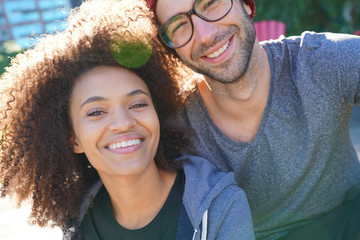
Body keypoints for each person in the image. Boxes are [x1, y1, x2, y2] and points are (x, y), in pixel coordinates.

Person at [0, 0, 255, 239]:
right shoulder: (77, 221)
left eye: (138, 104)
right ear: (73, 139)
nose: (123, 122)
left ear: (158, 113)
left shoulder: (219, 206)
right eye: (96, 112)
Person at [146, 0, 360, 239]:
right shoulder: (173, 129)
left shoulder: (319, 63)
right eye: (178, 26)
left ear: (245, 5)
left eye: (211, 3)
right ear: (171, 48)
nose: (205, 35)